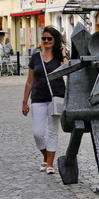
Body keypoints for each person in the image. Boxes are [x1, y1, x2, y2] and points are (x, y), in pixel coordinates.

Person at [21, 26, 67, 174]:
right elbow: (30, 81)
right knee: (37, 133)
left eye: (49, 39)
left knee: (53, 131)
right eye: (44, 38)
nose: (46, 41)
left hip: (56, 97)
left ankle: (50, 164)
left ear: (55, 40)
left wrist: (64, 54)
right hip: (38, 98)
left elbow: (67, 71)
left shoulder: (60, 57)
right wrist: (24, 101)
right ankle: (47, 158)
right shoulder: (36, 57)